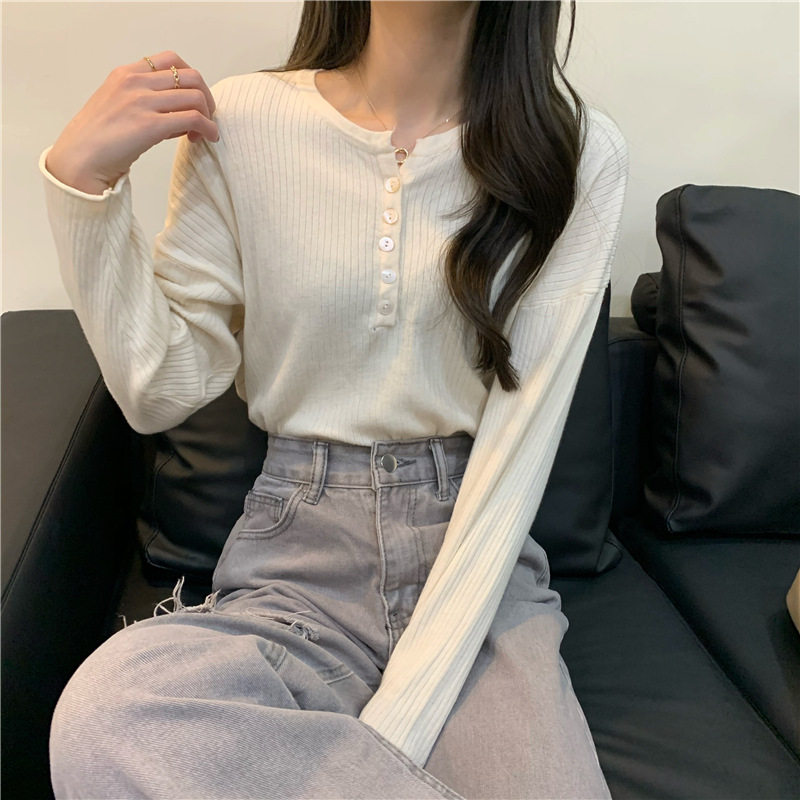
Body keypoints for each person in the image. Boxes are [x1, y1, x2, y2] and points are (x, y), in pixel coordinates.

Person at [38, 1, 628, 797]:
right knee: (104, 717)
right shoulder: (243, 123)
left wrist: (394, 725)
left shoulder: (576, 152)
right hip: (297, 559)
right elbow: (158, 389)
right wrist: (82, 185)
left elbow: (522, 446)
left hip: (479, 562)